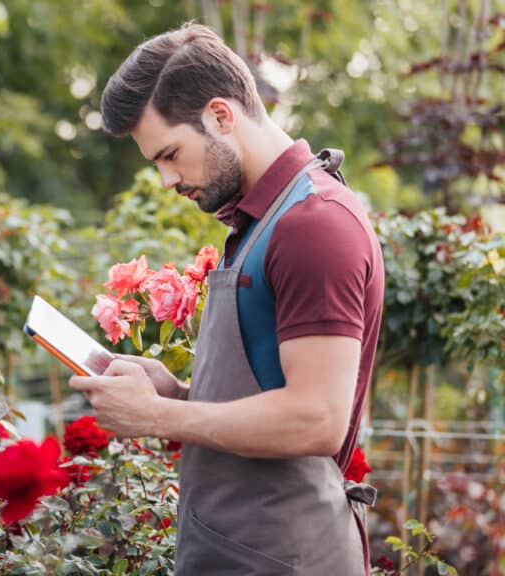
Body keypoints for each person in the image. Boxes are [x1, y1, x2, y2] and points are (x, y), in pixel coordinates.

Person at [68, 23, 384, 575]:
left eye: (170, 154)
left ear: (220, 116)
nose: (167, 180)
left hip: (288, 558)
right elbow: (273, 390)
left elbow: (316, 419)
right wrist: (182, 393)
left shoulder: (313, 224)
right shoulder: (262, 221)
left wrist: (158, 415)